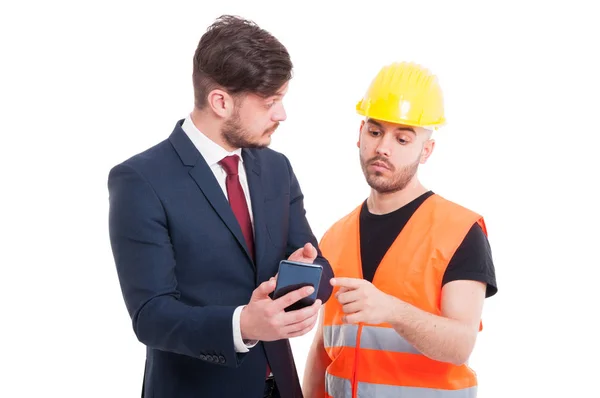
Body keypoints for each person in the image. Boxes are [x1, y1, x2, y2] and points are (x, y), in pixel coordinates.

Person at [108, 15, 333, 398]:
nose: (281, 115)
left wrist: (306, 280)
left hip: (280, 386)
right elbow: (151, 316)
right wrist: (243, 324)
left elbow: (320, 268)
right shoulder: (141, 180)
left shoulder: (276, 169)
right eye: (270, 102)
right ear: (221, 102)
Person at [303, 62, 498, 397]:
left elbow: (460, 345)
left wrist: (392, 310)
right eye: (375, 132)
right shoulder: (334, 237)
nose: (383, 148)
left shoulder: (460, 231)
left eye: (403, 138)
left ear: (426, 150)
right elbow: (324, 346)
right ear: (360, 133)